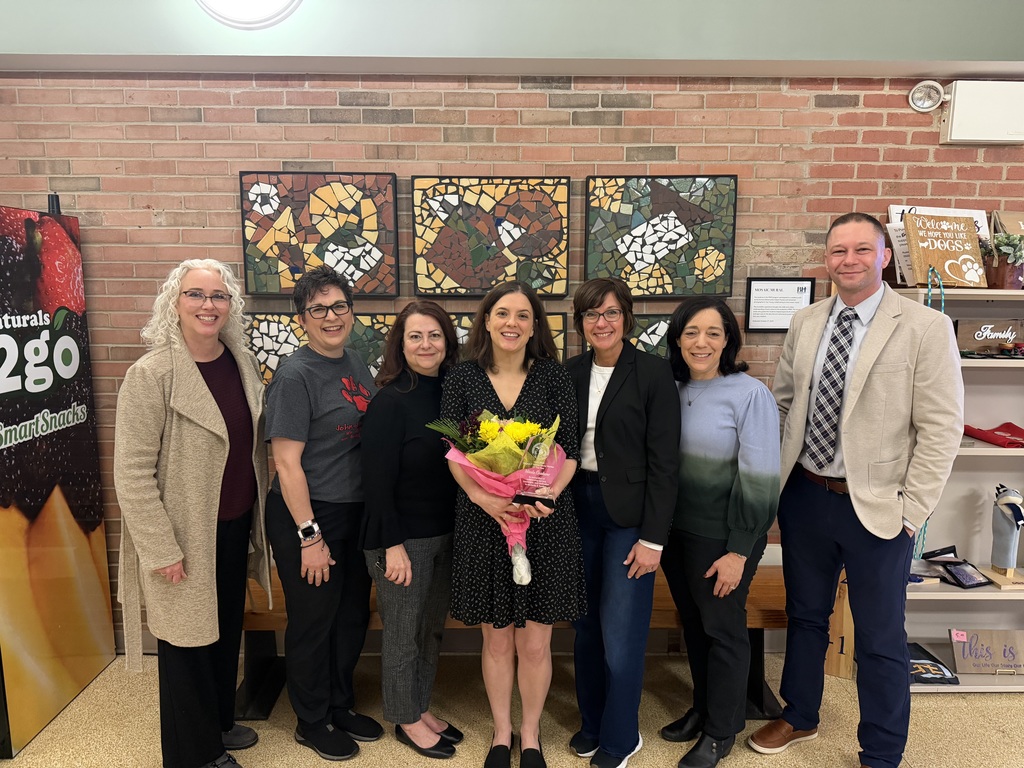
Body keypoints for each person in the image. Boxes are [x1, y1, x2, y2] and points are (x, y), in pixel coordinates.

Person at [749, 213, 964, 768]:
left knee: (878, 635)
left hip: (880, 506)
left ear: (884, 256)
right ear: (826, 259)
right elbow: (785, 404)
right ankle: (800, 714)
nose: (849, 260)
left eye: (862, 249)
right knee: (805, 616)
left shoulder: (925, 327)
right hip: (805, 495)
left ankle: (882, 751)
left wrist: (913, 511)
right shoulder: (806, 322)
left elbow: (942, 429)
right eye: (838, 250)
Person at [114, 259, 271, 768]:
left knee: (221, 634)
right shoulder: (152, 374)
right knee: (186, 645)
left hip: (233, 526)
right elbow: (132, 474)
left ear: (231, 305)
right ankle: (195, 754)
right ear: (174, 303)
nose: (208, 305)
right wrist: (161, 549)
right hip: (182, 536)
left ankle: (219, 724)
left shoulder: (240, 363)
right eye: (195, 294)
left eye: (218, 296)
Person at [439, 281, 586, 768]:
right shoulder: (462, 377)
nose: (512, 323)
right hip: (484, 522)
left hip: (543, 522)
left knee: (536, 642)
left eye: (523, 315)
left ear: (535, 325)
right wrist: (483, 497)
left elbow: (570, 449)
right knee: (497, 637)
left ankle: (531, 735)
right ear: (486, 320)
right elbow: (452, 450)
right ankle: (502, 733)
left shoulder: (553, 376)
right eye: (503, 313)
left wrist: (549, 493)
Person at [264, 265, 383, 761]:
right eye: (318, 309)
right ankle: (311, 720)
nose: (331, 316)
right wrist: (310, 537)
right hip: (308, 515)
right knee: (314, 620)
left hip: (353, 511)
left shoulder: (354, 360)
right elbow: (286, 463)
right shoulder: (295, 375)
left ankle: (339, 704)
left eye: (339, 306)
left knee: (351, 614)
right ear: (302, 319)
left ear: (351, 312)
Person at [659, 296, 780, 768]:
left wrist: (739, 551)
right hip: (675, 534)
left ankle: (721, 730)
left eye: (713, 332)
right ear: (677, 339)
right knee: (695, 626)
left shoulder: (749, 394)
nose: (701, 342)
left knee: (724, 630)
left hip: (724, 538)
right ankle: (703, 708)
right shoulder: (669, 387)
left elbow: (761, 478)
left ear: (728, 339)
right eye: (691, 332)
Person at [564, 278, 680, 768]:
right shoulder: (569, 372)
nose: (602, 323)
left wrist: (654, 539)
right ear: (581, 323)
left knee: (621, 632)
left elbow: (666, 464)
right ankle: (592, 723)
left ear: (627, 317)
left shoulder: (652, 372)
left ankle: (621, 736)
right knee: (585, 627)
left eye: (611, 313)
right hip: (577, 510)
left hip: (630, 520)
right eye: (592, 314)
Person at [360, 300, 463, 760]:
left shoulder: (453, 393)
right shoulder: (390, 401)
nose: (426, 345)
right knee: (403, 633)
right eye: (415, 336)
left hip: (444, 534)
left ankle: (420, 706)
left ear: (447, 342)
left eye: (434, 335)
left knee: (430, 629)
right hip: (401, 539)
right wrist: (392, 546)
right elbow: (376, 482)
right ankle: (405, 718)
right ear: (400, 346)